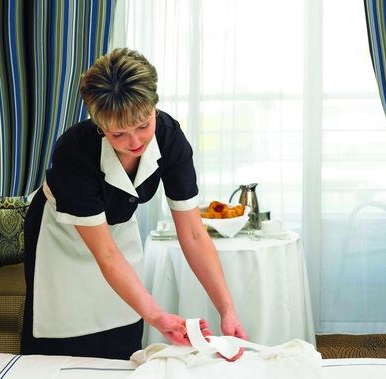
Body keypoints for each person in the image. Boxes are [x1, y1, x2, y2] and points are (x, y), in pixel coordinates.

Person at [21, 47, 247, 360]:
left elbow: (194, 235)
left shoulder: (170, 138)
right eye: (119, 134)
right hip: (62, 237)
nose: (135, 142)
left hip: (117, 231)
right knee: (64, 338)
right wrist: (158, 316)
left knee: (124, 331)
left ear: (154, 107)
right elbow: (105, 253)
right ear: (99, 124)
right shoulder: (74, 151)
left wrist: (227, 309)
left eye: (143, 125)